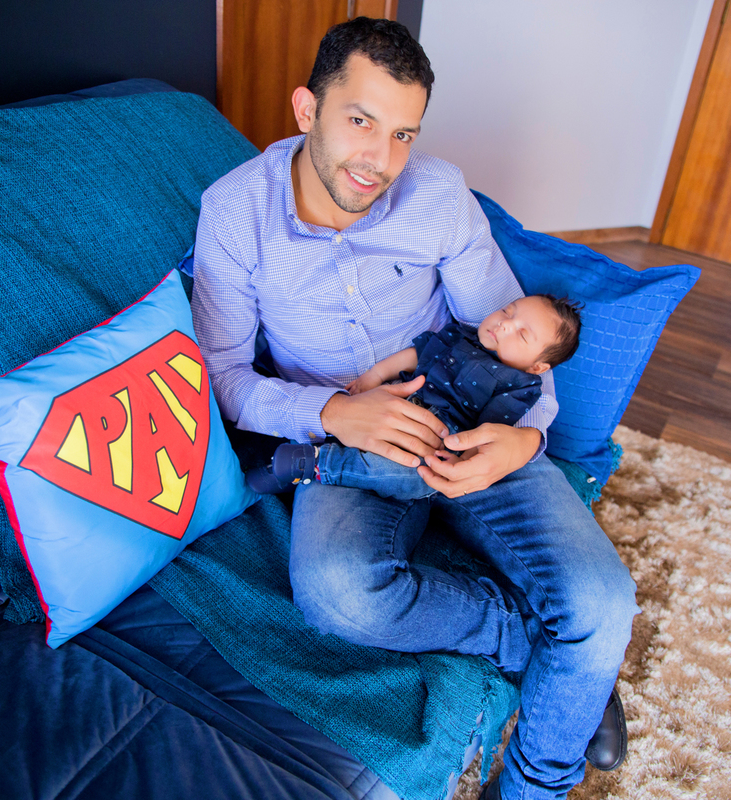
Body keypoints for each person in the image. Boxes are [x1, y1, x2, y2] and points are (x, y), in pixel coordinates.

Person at [190, 17, 639, 800]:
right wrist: (332, 412)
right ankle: (536, 643)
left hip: (474, 415)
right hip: (354, 438)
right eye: (360, 122)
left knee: (605, 601)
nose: (381, 162)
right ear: (306, 110)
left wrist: (524, 443)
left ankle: (535, 785)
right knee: (338, 593)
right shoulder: (234, 213)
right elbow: (223, 376)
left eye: (403, 133)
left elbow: (515, 335)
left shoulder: (439, 194)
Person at [246, 294, 583, 500]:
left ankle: (315, 462)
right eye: (508, 311)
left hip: (438, 434)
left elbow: (488, 429)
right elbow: (416, 355)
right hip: (393, 398)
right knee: (360, 422)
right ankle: (306, 447)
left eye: (521, 334)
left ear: (538, 367)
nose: (504, 325)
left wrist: (461, 458)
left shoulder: (519, 385)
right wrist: (377, 374)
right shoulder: (462, 334)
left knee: (418, 478)